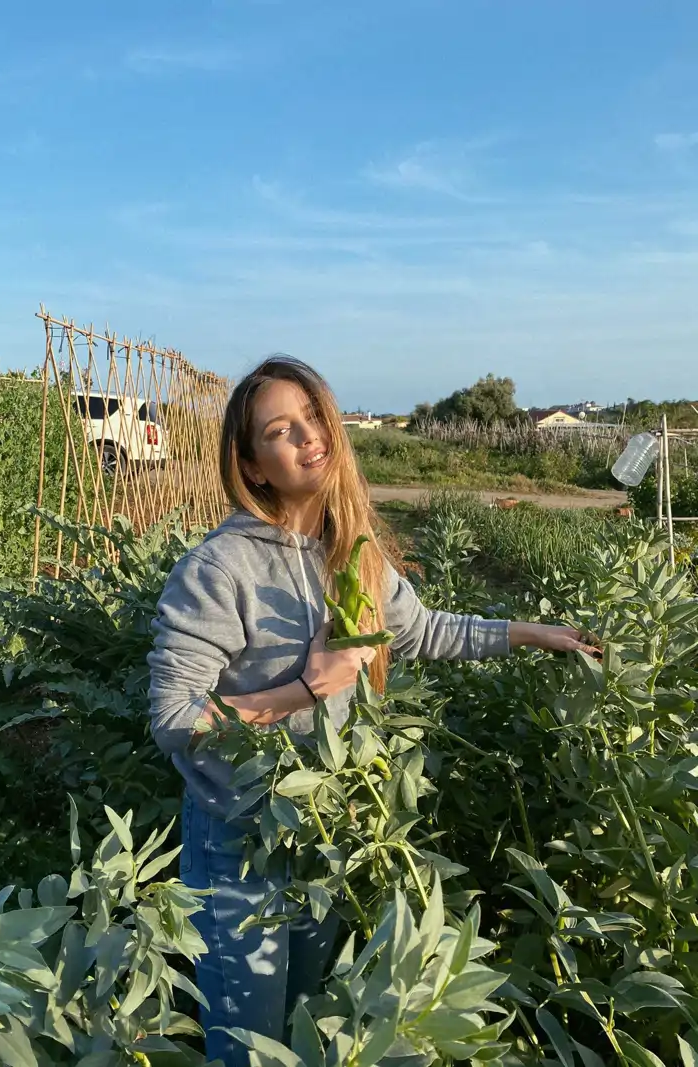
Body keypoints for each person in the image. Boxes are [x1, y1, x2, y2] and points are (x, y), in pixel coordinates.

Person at [147, 356, 598, 1066]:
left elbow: (423, 629)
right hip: (239, 848)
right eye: (280, 429)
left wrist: (532, 633)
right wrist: (305, 688)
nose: (309, 436)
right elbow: (176, 716)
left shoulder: (349, 549)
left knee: (304, 1026)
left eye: (313, 416)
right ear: (252, 465)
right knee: (247, 1051)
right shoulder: (218, 569)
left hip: (325, 837)